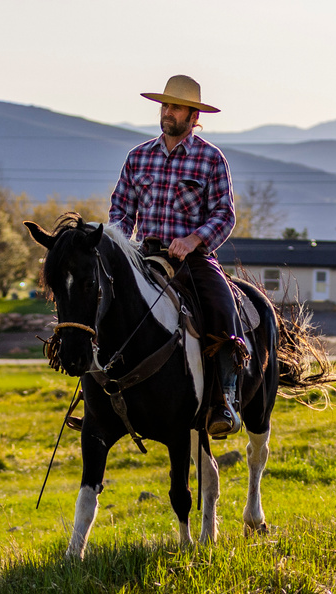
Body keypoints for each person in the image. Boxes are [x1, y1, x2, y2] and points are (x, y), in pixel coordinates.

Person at [109, 74, 246, 438]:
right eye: (165, 105)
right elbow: (121, 211)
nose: (167, 112)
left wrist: (193, 239)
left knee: (222, 307)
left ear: (193, 115)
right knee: (103, 305)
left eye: (175, 107)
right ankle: (97, 398)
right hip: (144, 256)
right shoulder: (138, 157)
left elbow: (224, 214)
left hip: (193, 259)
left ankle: (224, 399)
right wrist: (120, 249)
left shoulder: (210, 158)